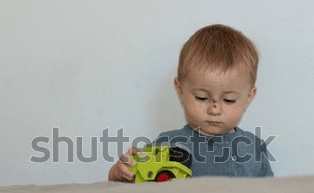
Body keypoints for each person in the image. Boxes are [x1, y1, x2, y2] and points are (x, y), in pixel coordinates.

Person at [108, 24, 274, 182]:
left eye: (229, 100)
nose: (214, 109)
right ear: (180, 90)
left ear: (249, 97)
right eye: (202, 98)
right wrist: (119, 175)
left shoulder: (254, 148)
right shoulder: (167, 144)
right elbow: (136, 189)